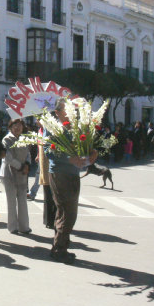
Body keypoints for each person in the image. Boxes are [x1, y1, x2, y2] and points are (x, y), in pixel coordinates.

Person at [46, 98, 98, 264]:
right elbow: (49, 152)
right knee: (67, 212)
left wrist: (92, 153)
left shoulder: (76, 128)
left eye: (74, 111)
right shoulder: (53, 129)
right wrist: (70, 159)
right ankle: (59, 249)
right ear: (57, 112)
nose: (71, 113)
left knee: (68, 212)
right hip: (59, 174)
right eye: (67, 110)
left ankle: (60, 246)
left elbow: (84, 148)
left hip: (73, 174)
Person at [0, 119, 31, 234]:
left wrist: (27, 165)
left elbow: (28, 154)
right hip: (9, 174)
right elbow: (8, 158)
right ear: (10, 127)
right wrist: (21, 167)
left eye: (20, 125)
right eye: (15, 125)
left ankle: (24, 227)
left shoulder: (23, 139)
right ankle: (13, 227)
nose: (18, 128)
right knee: (12, 201)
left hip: (22, 174)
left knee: (23, 200)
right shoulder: (7, 139)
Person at [37, 123, 56, 229]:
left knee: (53, 194)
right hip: (44, 165)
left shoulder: (51, 130)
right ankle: (48, 219)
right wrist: (38, 155)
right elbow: (39, 146)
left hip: (51, 165)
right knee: (47, 194)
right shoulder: (40, 131)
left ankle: (53, 219)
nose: (37, 121)